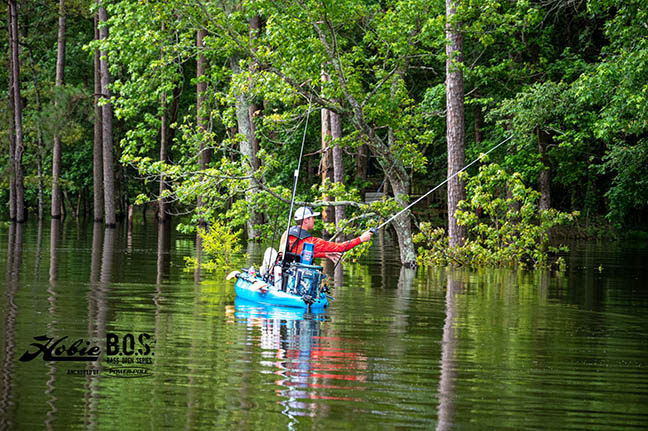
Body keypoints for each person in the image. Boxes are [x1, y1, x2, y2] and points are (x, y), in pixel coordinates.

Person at [279, 206, 374, 264]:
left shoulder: (286, 233)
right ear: (305, 220)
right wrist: (361, 239)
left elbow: (297, 254)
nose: (314, 220)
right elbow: (341, 247)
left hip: (284, 269)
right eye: (312, 218)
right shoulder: (312, 241)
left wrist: (325, 254)